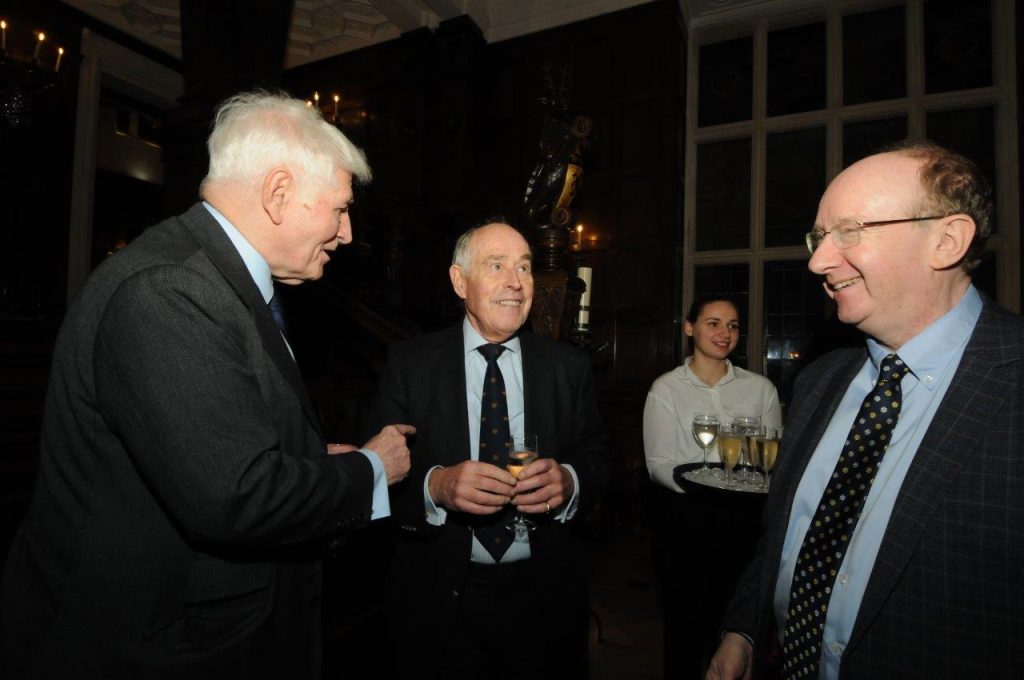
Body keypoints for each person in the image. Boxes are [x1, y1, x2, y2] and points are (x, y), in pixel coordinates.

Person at [1, 91, 414, 679]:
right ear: (277, 194)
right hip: (148, 646)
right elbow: (234, 497)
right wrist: (372, 470)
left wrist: (303, 459)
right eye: (340, 209)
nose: (347, 233)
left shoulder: (212, 277)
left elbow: (208, 443)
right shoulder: (168, 290)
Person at [706, 140, 1024, 679]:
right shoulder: (821, 382)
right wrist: (743, 630)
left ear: (946, 240)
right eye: (819, 236)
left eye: (850, 232)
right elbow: (786, 537)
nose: (818, 261)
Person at [366, 220, 610, 679]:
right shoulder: (410, 364)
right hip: (439, 600)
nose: (515, 283)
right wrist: (435, 486)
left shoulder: (569, 368)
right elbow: (373, 473)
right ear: (460, 281)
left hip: (545, 599)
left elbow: (599, 455)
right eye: (496, 266)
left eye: (524, 267)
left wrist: (571, 482)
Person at [643, 297, 781, 678]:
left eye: (733, 325)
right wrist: (710, 488)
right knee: (685, 632)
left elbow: (770, 459)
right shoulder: (667, 388)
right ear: (690, 328)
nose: (725, 334)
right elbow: (658, 465)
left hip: (745, 525)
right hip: (686, 523)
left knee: (737, 628)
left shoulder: (760, 389)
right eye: (714, 323)